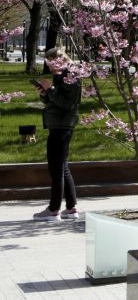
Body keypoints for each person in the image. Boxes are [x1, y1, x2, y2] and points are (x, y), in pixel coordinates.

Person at [32, 47, 82, 221]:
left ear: (60, 60)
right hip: (59, 125)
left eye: (52, 63)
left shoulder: (71, 77)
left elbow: (68, 104)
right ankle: (71, 207)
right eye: (48, 64)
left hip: (62, 126)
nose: (51, 67)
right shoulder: (62, 76)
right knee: (63, 167)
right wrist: (45, 94)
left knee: (56, 169)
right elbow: (55, 100)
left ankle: (54, 209)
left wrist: (51, 89)